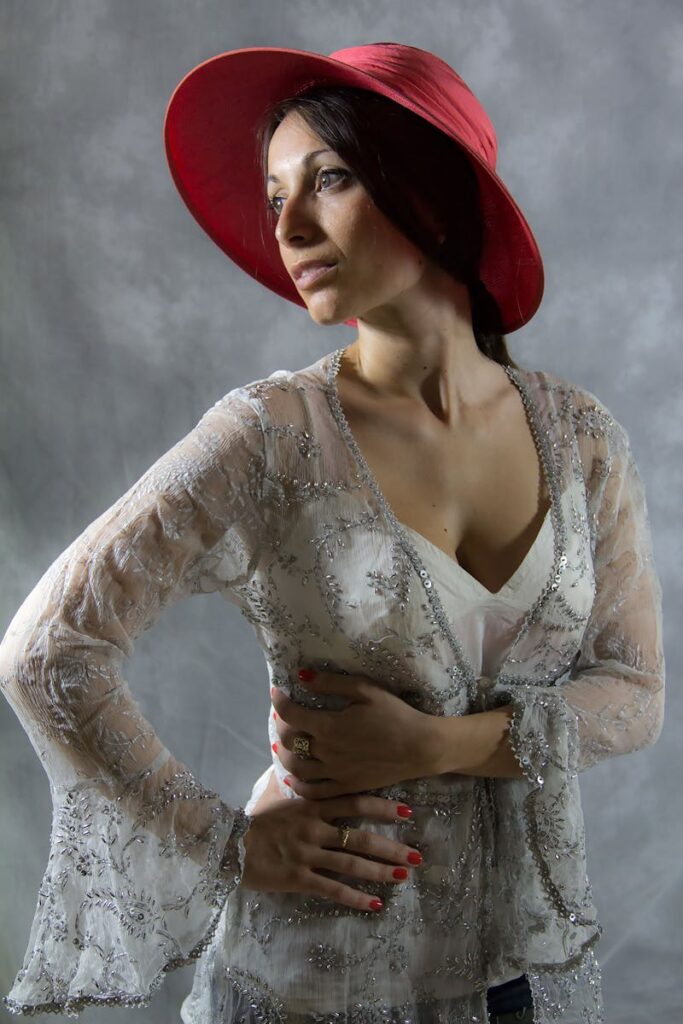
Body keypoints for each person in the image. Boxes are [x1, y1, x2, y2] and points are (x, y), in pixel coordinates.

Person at [1, 42, 665, 1024]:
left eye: (329, 179)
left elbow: (632, 693)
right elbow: (49, 650)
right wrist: (230, 843)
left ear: (432, 191)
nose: (290, 226)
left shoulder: (580, 440)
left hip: (512, 977)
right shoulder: (270, 435)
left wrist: (437, 741)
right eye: (275, 198)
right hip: (315, 977)